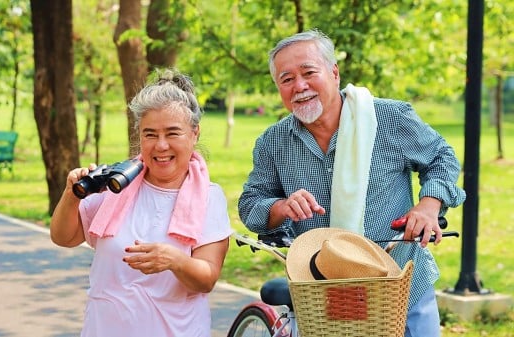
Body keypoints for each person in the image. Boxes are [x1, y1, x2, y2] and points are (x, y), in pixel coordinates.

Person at [238, 29, 466, 337]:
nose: (300, 86)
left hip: (400, 288)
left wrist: (428, 206)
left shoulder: (389, 118)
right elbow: (251, 204)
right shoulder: (272, 143)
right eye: (287, 79)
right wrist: (281, 207)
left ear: (334, 73)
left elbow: (442, 157)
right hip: (323, 297)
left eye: (309, 72)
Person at [50, 68, 233, 337]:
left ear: (194, 134)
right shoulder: (116, 184)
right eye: (150, 134)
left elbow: (206, 279)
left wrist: (174, 260)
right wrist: (71, 195)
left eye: (172, 133)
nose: (160, 146)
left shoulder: (208, 196)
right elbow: (63, 237)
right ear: (139, 135)